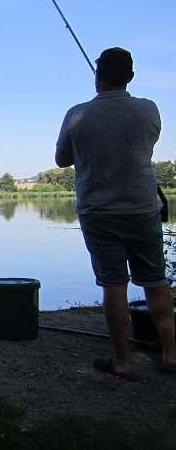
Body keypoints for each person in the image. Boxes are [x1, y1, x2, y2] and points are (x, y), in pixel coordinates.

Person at [55, 47, 176, 380]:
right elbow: (146, 144)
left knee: (113, 285)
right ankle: (171, 354)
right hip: (143, 210)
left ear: (97, 75)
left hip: (98, 212)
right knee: (155, 281)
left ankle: (121, 361)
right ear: (130, 77)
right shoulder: (149, 109)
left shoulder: (76, 114)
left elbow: (62, 160)